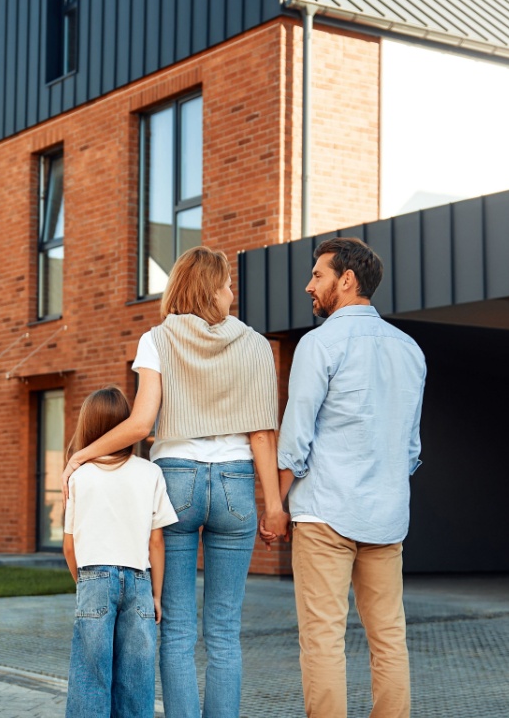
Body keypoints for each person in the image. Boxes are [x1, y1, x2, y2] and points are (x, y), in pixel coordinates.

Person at [63, 246, 285, 718]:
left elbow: (142, 424)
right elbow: (263, 433)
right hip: (237, 483)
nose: (231, 292)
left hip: (176, 480)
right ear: (209, 288)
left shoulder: (157, 339)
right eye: (226, 284)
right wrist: (274, 506)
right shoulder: (256, 345)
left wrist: (82, 453)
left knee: (178, 630)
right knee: (224, 630)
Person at [265, 236, 426, 718]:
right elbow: (412, 446)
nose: (308, 285)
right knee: (389, 637)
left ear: (347, 280)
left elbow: (295, 438)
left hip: (325, 514)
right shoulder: (411, 350)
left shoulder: (320, 344)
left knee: (322, 639)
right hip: (387, 517)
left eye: (318, 275)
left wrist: (275, 507)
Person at [62, 386, 178, 718]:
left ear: (87, 426)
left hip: (93, 578)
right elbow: (156, 543)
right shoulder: (150, 472)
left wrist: (83, 582)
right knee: (136, 680)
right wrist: (156, 596)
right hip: (140, 582)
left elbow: (69, 546)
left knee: (90, 675)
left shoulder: (78, 476)